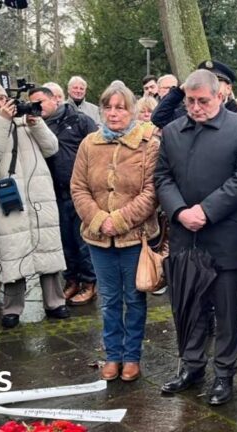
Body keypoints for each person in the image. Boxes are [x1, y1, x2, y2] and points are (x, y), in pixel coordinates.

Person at [155, 69, 237, 406]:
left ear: (220, 96)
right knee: (187, 306)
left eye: (203, 101)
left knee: (226, 312)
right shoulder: (172, 131)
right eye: (190, 101)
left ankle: (225, 374)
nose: (196, 108)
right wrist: (180, 210)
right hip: (186, 236)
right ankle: (192, 365)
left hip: (225, 236)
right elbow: (162, 176)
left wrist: (207, 210)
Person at [71, 84, 161, 382]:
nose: (114, 113)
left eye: (120, 107)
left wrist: (120, 220)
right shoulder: (89, 144)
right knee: (108, 299)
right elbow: (78, 187)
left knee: (134, 298)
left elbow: (151, 192)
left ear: (132, 110)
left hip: (135, 238)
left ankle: (132, 356)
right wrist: (98, 219)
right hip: (97, 239)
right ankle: (112, 355)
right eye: (109, 107)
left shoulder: (148, 144)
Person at [0, 77, 70, 329]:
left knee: (47, 247)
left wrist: (36, 124)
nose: (2, 103)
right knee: (12, 250)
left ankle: (55, 302)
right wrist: (2, 120)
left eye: (3, 98)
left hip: (38, 192)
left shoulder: (24, 118)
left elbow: (51, 148)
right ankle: (12, 308)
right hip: (7, 196)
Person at [28, 87, 99, 307]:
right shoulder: (37, 125)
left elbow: (95, 151)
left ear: (54, 100)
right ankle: (71, 280)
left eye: (39, 102)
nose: (36, 108)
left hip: (80, 191)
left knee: (82, 241)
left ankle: (89, 283)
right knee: (64, 240)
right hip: (54, 192)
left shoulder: (79, 120)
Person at [151, 60, 237, 128]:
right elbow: (159, 119)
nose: (210, 86)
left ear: (228, 89)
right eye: (204, 82)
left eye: (216, 82)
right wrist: (179, 92)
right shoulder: (190, 113)